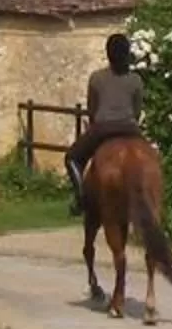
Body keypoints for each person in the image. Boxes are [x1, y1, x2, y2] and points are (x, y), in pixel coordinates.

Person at [61, 33, 147, 207]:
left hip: (102, 129)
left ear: (108, 54)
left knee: (71, 158)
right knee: (151, 157)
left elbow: (92, 109)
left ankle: (80, 197)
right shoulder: (136, 80)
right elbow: (137, 111)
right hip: (130, 129)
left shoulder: (96, 78)